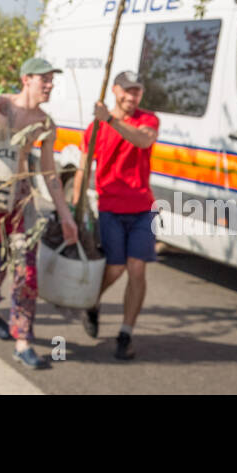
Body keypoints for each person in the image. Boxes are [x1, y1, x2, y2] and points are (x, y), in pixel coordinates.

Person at [0, 58, 78, 369]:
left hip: (22, 201)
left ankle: (22, 339)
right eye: (45, 79)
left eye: (52, 80)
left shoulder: (45, 123)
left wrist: (65, 216)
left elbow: (50, 174)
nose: (49, 85)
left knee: (26, 272)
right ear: (26, 79)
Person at [74, 71, 160, 361]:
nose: (132, 97)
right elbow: (83, 168)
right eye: (127, 91)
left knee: (137, 269)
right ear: (115, 90)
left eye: (136, 91)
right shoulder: (95, 129)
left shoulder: (148, 120)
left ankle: (125, 333)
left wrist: (110, 119)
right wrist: (75, 208)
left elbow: (143, 141)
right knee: (115, 268)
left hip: (142, 208)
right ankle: (92, 302)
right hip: (110, 207)